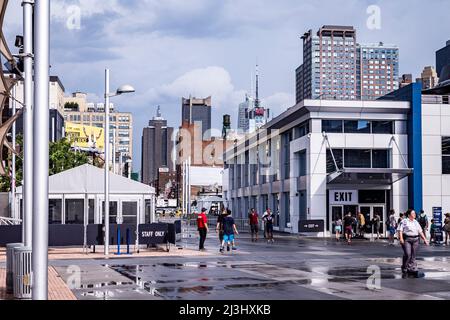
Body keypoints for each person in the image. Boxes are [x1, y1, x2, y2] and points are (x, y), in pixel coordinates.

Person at [398, 209, 429, 278]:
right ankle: (404, 266)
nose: (414, 214)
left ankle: (411, 267)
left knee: (413, 255)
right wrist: (401, 238)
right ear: (409, 215)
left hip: (415, 239)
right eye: (413, 213)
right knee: (408, 254)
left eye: (415, 213)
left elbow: (420, 231)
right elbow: (400, 230)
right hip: (407, 239)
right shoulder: (404, 221)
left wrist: (425, 239)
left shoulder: (416, 222)